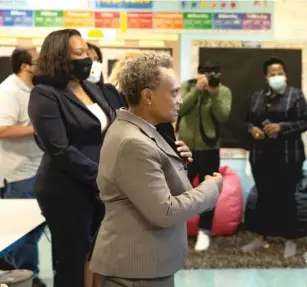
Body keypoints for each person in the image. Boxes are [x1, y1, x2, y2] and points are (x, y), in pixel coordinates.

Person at [89, 53, 222, 287]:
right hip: (136, 269)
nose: (180, 100)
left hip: (146, 265)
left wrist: (176, 162)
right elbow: (165, 211)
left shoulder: (140, 130)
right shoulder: (134, 142)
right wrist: (210, 189)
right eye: (173, 93)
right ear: (148, 96)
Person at [28, 29, 115, 287]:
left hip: (99, 188)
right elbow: (59, 150)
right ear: (59, 57)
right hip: (66, 190)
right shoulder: (44, 94)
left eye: (87, 51)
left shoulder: (91, 88)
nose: (87, 57)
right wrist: (102, 178)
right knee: (72, 262)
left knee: (98, 257)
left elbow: (111, 128)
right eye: (79, 53)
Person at [241, 57, 307, 258]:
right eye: (272, 73)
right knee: (263, 197)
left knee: (287, 197)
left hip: (289, 156)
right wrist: (253, 129)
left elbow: (306, 121)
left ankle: (290, 239)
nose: (276, 76)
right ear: (266, 77)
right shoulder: (257, 97)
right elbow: (246, 121)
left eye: (280, 72)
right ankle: (262, 237)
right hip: (261, 156)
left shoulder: (295, 95)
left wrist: (282, 127)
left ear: (286, 74)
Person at [0, 47, 46, 287]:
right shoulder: (9, 91)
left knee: (36, 227)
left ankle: (17, 271)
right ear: (26, 66)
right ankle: (28, 277)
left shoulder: (33, 90)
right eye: (37, 60)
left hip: (37, 167)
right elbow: (3, 129)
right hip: (19, 172)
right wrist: (39, 129)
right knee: (24, 235)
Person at [178, 60, 232, 251]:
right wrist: (197, 91)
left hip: (209, 149)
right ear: (198, 74)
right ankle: (176, 230)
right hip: (185, 149)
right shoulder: (187, 85)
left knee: (208, 191)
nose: (209, 77)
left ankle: (204, 231)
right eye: (205, 73)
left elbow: (223, 116)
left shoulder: (223, 91)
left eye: (213, 73)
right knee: (178, 189)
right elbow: (179, 109)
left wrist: (214, 95)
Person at [87, 42, 124, 111]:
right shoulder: (70, 95)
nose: (93, 63)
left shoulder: (110, 90)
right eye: (88, 59)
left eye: (96, 59)